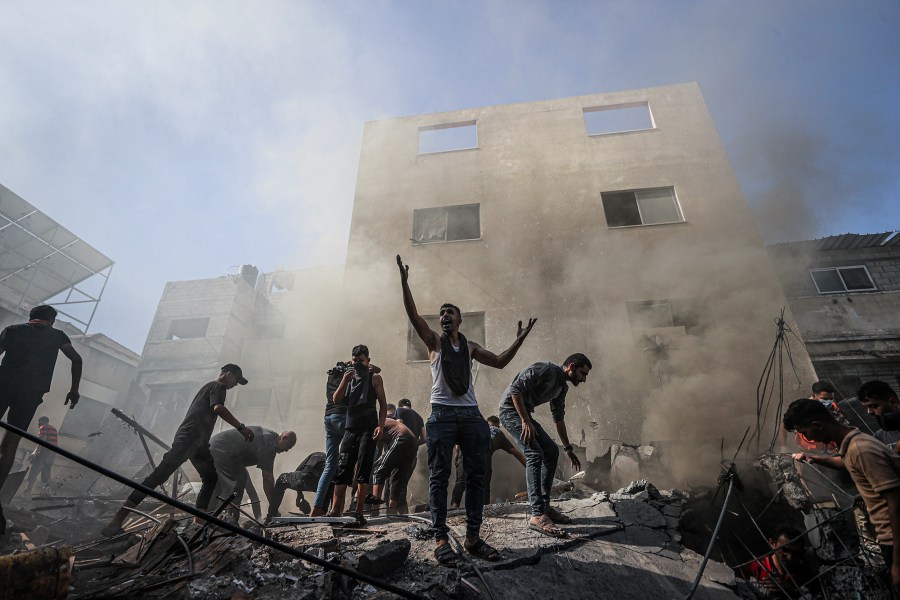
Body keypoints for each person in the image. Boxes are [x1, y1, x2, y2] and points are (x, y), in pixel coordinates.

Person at [397, 255, 536, 566]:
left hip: (472, 415)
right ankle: (441, 538)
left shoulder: (471, 347)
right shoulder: (433, 340)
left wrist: (519, 340)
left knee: (477, 474)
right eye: (443, 313)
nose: (445, 316)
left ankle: (473, 537)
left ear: (459, 320)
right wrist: (405, 282)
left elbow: (500, 361)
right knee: (440, 476)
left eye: (451, 313)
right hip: (442, 415)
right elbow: (413, 314)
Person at [101, 364, 253, 536]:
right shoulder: (218, 386)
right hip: (189, 439)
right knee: (158, 476)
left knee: (210, 478)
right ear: (227, 374)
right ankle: (117, 521)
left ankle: (197, 523)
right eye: (236, 380)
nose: (235, 385)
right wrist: (241, 427)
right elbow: (218, 408)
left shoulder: (209, 387)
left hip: (198, 443)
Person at [783, 398, 900, 595]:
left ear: (816, 425)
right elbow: (848, 462)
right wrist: (815, 459)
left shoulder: (861, 449)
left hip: (894, 541)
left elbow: (896, 502)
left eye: (805, 433)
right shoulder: (853, 444)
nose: (807, 439)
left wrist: (897, 562)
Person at [0, 305, 82, 534]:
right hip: (30, 392)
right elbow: (76, 359)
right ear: (52, 321)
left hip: (2, 385)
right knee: (10, 443)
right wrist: (74, 390)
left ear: (31, 318)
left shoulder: (12, 330)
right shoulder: (57, 336)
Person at [499, 355, 589, 536]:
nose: (584, 379)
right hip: (510, 411)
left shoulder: (562, 387)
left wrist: (568, 448)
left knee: (551, 451)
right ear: (571, 366)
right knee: (534, 453)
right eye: (582, 373)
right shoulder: (546, 369)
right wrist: (525, 421)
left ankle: (545, 506)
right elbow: (515, 389)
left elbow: (559, 418)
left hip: (525, 414)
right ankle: (537, 514)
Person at [328, 345, 387, 525]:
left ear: (368, 360)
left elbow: (383, 404)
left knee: (363, 469)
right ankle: (335, 511)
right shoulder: (349, 378)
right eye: (354, 360)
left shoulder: (375, 378)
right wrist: (345, 380)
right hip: (350, 429)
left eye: (361, 360)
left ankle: (359, 512)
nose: (357, 363)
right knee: (343, 469)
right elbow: (336, 400)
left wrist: (381, 426)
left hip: (368, 429)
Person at [209, 427, 296, 523]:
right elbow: (267, 478)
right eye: (288, 446)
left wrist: (259, 518)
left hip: (219, 449)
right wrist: (273, 509)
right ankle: (228, 520)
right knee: (235, 484)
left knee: (238, 479)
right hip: (221, 449)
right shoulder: (268, 442)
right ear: (284, 438)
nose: (287, 450)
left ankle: (211, 516)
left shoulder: (267, 438)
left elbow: (253, 494)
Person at [451, 416, 526, 508]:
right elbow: (515, 452)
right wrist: (529, 467)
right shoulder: (498, 432)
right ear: (498, 425)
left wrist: (456, 452)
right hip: (483, 453)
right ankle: (483, 510)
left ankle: (454, 506)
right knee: (484, 484)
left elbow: (460, 435)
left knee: (461, 481)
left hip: (467, 450)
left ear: (487, 422)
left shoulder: (476, 425)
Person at [744, 524, 815, 598]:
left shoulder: (801, 572)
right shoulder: (755, 567)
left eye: (795, 553)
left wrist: (792, 591)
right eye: (785, 550)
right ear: (772, 543)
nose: (790, 557)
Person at [266, 451, 330, 521]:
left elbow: (298, 471)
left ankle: (271, 514)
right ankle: (323, 513)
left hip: (304, 479)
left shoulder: (317, 454)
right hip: (320, 484)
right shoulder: (330, 461)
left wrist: (299, 492)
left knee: (282, 479)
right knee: (329, 490)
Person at [371, 417, 418, 512]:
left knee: (378, 471)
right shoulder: (388, 422)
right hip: (413, 442)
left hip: (401, 438)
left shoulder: (373, 423)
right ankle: (392, 509)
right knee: (398, 477)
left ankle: (374, 509)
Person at [24, 416, 58, 495]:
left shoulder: (43, 427)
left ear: (42, 422)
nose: (38, 424)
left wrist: (34, 453)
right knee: (46, 474)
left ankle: (27, 492)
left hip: (43, 453)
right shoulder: (54, 429)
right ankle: (47, 493)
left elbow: (42, 441)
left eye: (38, 422)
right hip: (52, 454)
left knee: (33, 472)